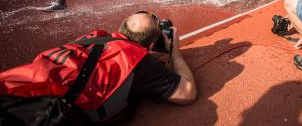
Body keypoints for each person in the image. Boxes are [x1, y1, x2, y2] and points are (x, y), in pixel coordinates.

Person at [0, 10, 196, 123]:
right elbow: (187, 93)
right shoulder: (136, 58)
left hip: (11, 86)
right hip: (40, 113)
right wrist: (174, 51)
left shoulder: (92, 39)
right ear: (152, 45)